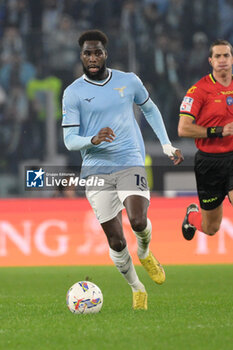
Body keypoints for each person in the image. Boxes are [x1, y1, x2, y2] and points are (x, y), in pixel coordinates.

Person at [62, 29, 183, 310]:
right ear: (81, 56)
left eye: (98, 52)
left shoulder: (128, 81)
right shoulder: (73, 93)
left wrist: (165, 144)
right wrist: (92, 139)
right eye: (87, 53)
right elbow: (69, 141)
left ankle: (145, 252)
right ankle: (137, 287)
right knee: (116, 240)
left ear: (106, 53)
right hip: (95, 170)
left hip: (130, 160)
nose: (93, 58)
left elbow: (150, 109)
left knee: (138, 221)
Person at [178, 39, 233, 241]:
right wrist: (218, 131)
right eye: (217, 56)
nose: (222, 60)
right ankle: (191, 217)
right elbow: (183, 129)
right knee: (211, 228)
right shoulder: (199, 90)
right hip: (209, 162)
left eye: (226, 55)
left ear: (232, 59)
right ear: (210, 61)